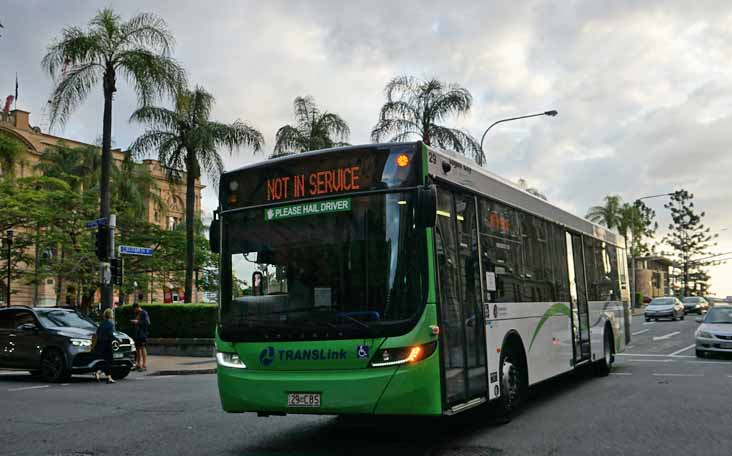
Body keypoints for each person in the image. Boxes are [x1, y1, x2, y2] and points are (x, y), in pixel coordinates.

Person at [93, 308, 116, 384]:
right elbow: (110, 334)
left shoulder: (101, 323)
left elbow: (97, 333)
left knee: (104, 361)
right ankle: (99, 372)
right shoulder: (110, 323)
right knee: (110, 361)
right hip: (107, 344)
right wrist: (116, 339)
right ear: (110, 315)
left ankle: (109, 378)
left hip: (100, 344)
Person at [131, 303, 150, 371]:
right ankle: (138, 364)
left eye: (134, 309)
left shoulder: (144, 313)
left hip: (142, 334)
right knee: (137, 349)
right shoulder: (138, 313)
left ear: (137, 307)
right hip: (137, 334)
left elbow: (147, 323)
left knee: (142, 348)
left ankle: (144, 365)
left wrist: (137, 322)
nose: (134, 311)